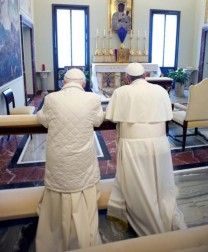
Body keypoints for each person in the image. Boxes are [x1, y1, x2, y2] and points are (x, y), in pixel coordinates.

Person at [105, 62, 186, 236]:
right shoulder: (160, 91)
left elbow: (110, 117)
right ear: (145, 76)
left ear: (127, 79)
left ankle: (148, 224)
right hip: (160, 144)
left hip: (133, 146)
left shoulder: (121, 92)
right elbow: (168, 115)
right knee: (159, 181)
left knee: (138, 185)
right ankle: (163, 213)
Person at [35, 68, 105, 252]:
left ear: (63, 83)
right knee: (82, 187)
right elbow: (99, 120)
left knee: (59, 187)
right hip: (82, 160)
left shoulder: (51, 99)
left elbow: (41, 118)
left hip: (58, 160)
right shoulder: (92, 99)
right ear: (83, 83)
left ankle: (53, 235)